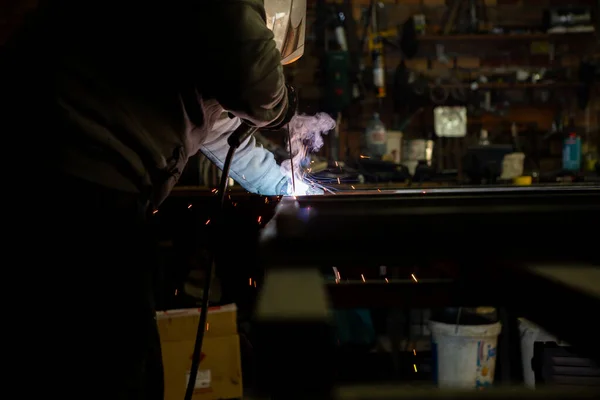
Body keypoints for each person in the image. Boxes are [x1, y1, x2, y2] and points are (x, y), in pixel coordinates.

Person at [2, 1, 301, 399]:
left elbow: (224, 130)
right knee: (108, 363)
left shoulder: (189, 41)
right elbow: (254, 81)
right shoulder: (222, 25)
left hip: (78, 173)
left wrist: (283, 184)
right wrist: (281, 107)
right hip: (71, 177)